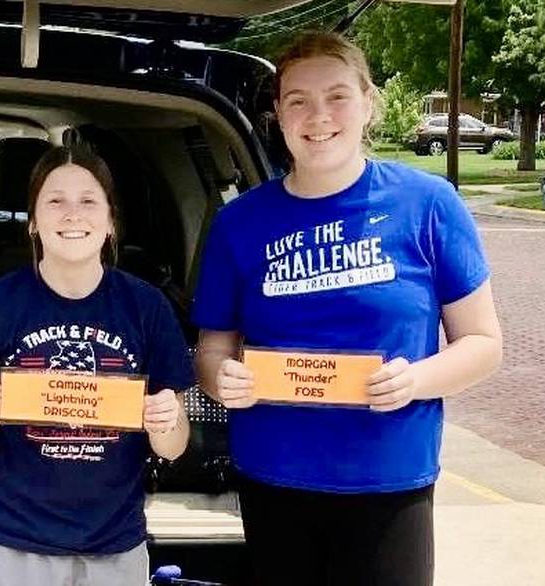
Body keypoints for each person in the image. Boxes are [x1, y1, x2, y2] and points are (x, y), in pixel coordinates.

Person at [192, 32, 502, 586]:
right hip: (274, 476)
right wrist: (221, 378)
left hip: (389, 479)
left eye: (336, 96)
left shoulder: (428, 204)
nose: (318, 117)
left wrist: (417, 379)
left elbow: (483, 344)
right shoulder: (239, 224)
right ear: (279, 116)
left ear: (367, 102)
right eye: (298, 101)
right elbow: (213, 347)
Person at [0, 142, 192, 586]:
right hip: (17, 540)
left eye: (88, 201)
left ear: (111, 220)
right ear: (34, 222)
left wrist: (165, 422)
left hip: (117, 542)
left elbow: (174, 446)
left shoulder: (147, 307)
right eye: (55, 201)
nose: (72, 214)